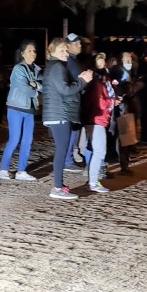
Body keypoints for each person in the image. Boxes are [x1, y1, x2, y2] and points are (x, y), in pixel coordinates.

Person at [42, 38, 93, 200]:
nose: (66, 53)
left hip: (58, 113)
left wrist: (79, 81)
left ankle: (59, 185)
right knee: (61, 150)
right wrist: (82, 81)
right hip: (59, 114)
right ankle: (57, 187)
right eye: (62, 50)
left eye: (66, 50)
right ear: (52, 52)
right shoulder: (57, 67)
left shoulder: (54, 66)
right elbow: (65, 90)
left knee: (61, 150)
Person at [0, 41, 42, 181]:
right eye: (29, 51)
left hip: (29, 108)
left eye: (34, 51)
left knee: (28, 140)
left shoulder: (36, 69)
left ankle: (21, 171)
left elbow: (44, 86)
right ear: (22, 54)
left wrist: (36, 85)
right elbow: (26, 89)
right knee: (15, 139)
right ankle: (3, 169)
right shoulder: (18, 69)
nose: (33, 53)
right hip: (16, 107)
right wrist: (37, 87)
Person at [82, 52, 121, 193]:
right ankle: (93, 182)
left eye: (104, 63)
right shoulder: (96, 82)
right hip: (95, 118)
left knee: (98, 150)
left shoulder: (103, 81)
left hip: (100, 118)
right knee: (99, 151)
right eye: (99, 63)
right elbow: (99, 102)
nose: (103, 66)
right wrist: (112, 102)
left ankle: (93, 180)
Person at [63, 33, 86, 172]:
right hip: (71, 101)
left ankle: (69, 158)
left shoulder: (74, 60)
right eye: (76, 43)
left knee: (75, 131)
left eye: (80, 43)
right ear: (68, 45)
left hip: (76, 99)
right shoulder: (69, 61)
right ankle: (67, 160)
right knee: (72, 131)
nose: (80, 45)